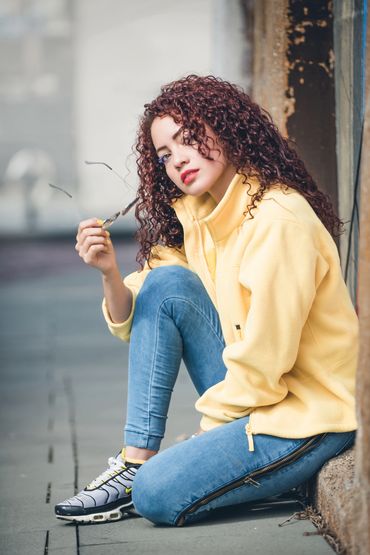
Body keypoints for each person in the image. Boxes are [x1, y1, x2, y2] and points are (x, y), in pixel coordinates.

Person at [55, 74, 358, 526]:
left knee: (156, 493)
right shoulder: (199, 215)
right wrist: (109, 274)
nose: (178, 159)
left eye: (188, 137)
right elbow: (138, 315)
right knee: (165, 285)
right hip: (261, 396)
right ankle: (135, 458)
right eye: (164, 153)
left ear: (226, 128)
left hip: (308, 417)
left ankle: (166, 476)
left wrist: (203, 436)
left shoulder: (278, 219)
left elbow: (264, 361)